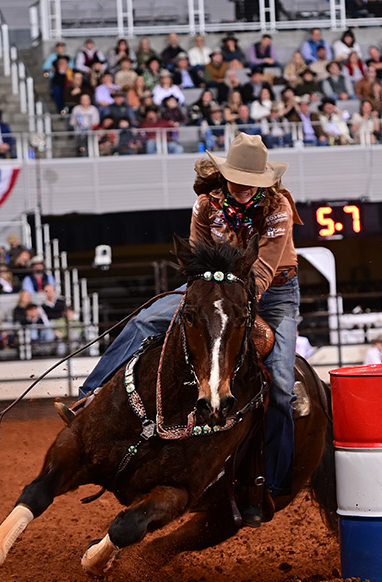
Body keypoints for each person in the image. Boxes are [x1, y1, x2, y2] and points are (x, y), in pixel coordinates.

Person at [72, 134, 303, 526]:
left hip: (273, 293)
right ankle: (89, 397)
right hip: (211, 288)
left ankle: (271, 483)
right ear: (226, 176)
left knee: (281, 386)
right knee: (145, 320)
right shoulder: (205, 205)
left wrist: (236, 305)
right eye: (238, 179)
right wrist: (210, 297)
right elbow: (196, 258)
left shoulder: (277, 207)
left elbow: (263, 269)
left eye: (252, 181)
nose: (244, 187)